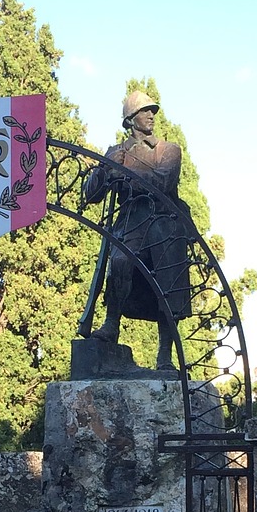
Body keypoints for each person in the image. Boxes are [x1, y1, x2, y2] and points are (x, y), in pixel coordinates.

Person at [82, 90, 195, 370]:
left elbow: (163, 181)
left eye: (152, 111)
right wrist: (105, 170)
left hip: (163, 221)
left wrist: (125, 175)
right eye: (145, 111)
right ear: (130, 119)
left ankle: (165, 355)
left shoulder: (168, 150)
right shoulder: (115, 152)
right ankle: (111, 324)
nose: (151, 115)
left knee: (167, 282)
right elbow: (91, 193)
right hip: (131, 221)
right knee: (119, 264)